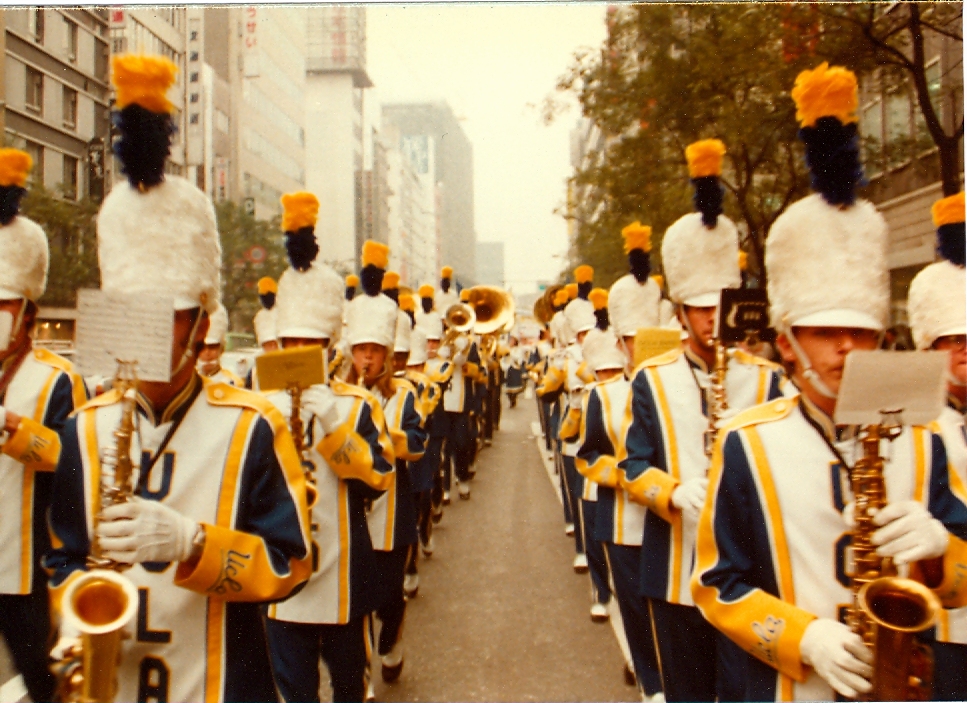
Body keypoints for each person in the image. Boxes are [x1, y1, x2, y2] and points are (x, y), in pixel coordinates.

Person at [692, 64, 967, 702]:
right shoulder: (746, 442)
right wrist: (803, 637)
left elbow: (959, 573)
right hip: (786, 686)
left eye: (863, 331)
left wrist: (940, 553)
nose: (848, 347)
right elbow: (714, 582)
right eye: (825, 332)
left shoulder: (923, 436)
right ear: (786, 343)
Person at [46, 54, 312, 703]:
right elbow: (60, 556)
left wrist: (193, 544)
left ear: (200, 322)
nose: (149, 334)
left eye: (169, 318)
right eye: (133, 313)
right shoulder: (84, 427)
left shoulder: (253, 425)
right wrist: (79, 602)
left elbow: (290, 565)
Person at [618, 138, 783, 702]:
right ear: (682, 311)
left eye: (721, 306)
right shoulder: (652, 376)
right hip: (673, 573)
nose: (714, 320)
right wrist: (672, 492)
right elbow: (631, 465)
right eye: (701, 309)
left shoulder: (766, 379)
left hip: (752, 580)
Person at [263, 200, 396, 703]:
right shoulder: (260, 410)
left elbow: (378, 479)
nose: (299, 351)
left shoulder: (358, 405)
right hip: (279, 578)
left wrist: (334, 425)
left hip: (342, 577)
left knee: (349, 689)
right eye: (290, 341)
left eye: (310, 342)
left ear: (329, 347)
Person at [0, 148, 87, 703]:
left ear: (28, 313)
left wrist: (12, 430)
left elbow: (74, 456)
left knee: (43, 679)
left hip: (27, 566)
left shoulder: (57, 377)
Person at [576, 325, 664, 701]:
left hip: (672, 518)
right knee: (634, 603)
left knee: (669, 611)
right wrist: (625, 477)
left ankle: (654, 668)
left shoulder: (676, 388)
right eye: (629, 339)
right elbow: (589, 455)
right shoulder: (602, 395)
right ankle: (651, 682)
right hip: (623, 518)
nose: (637, 346)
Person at [907, 190, 967, 700]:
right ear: (929, 348)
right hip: (948, 625)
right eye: (954, 340)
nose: (966, 349)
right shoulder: (912, 425)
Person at [560, 284, 613, 620]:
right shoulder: (567, 358)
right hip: (583, 445)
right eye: (579, 333)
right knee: (589, 519)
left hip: (616, 458)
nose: (584, 337)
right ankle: (599, 589)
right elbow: (568, 424)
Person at [197, 303, 244, 386]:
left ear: (222, 349)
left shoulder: (234, 382)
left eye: (212, 347)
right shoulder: (186, 382)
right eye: (202, 347)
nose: (207, 352)